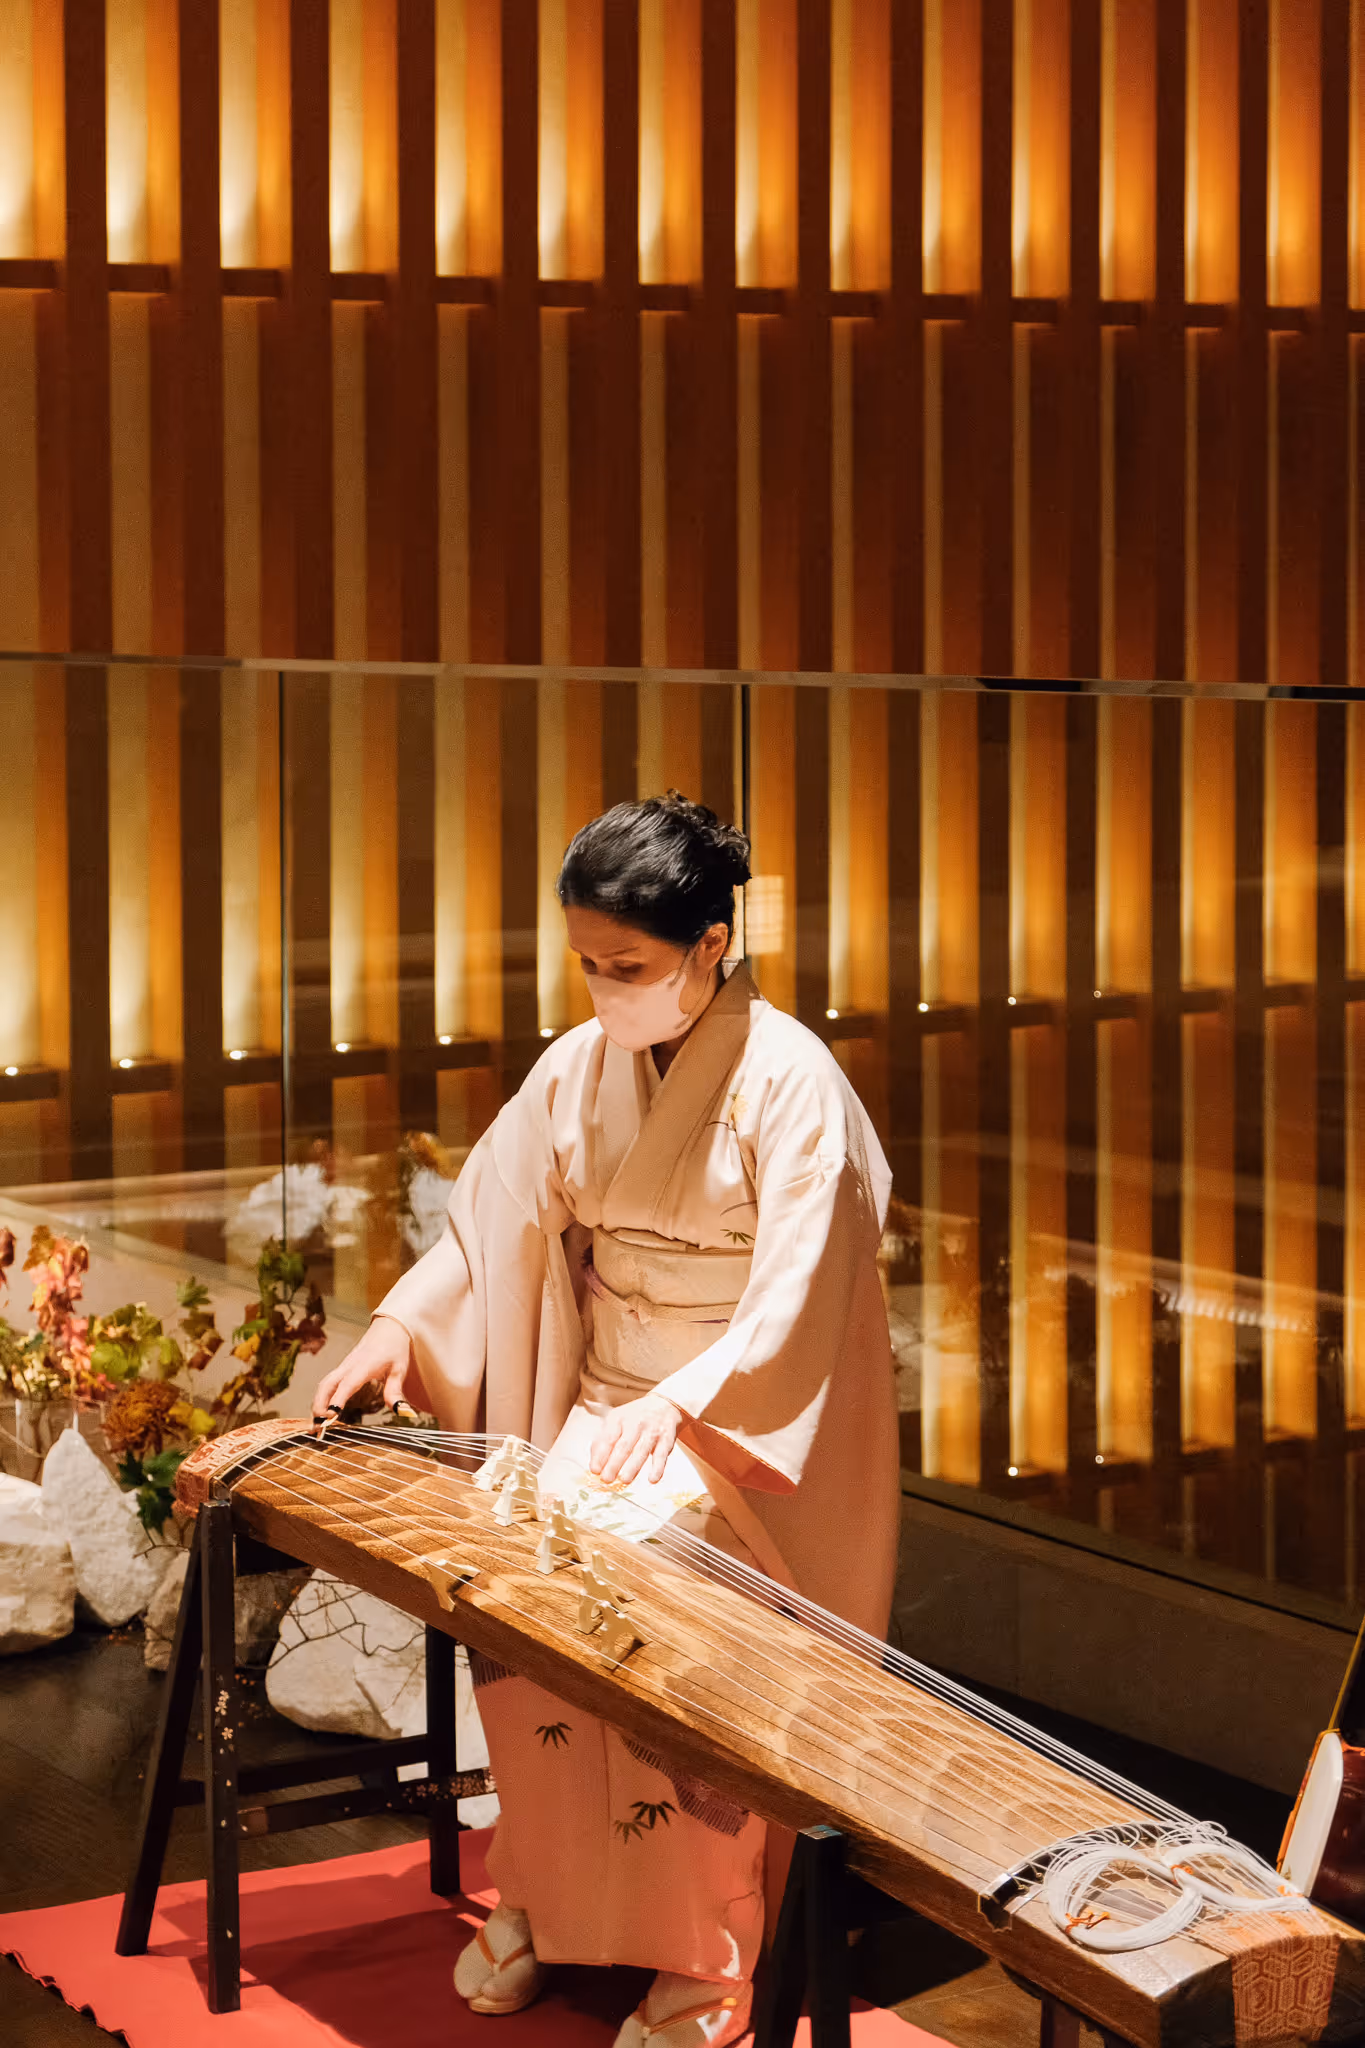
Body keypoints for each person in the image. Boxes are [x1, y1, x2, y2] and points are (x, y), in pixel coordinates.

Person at [313, 793, 900, 2048]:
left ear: (709, 945)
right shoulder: (578, 1068)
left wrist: (682, 1403)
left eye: (627, 966)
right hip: (602, 1410)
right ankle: (542, 1889)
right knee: (521, 1592)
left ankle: (709, 1949)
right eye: (588, 963)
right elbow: (494, 1224)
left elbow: (805, 1294)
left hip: (734, 1431)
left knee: (651, 1617)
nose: (603, 990)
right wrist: (397, 1332)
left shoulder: (794, 1082)